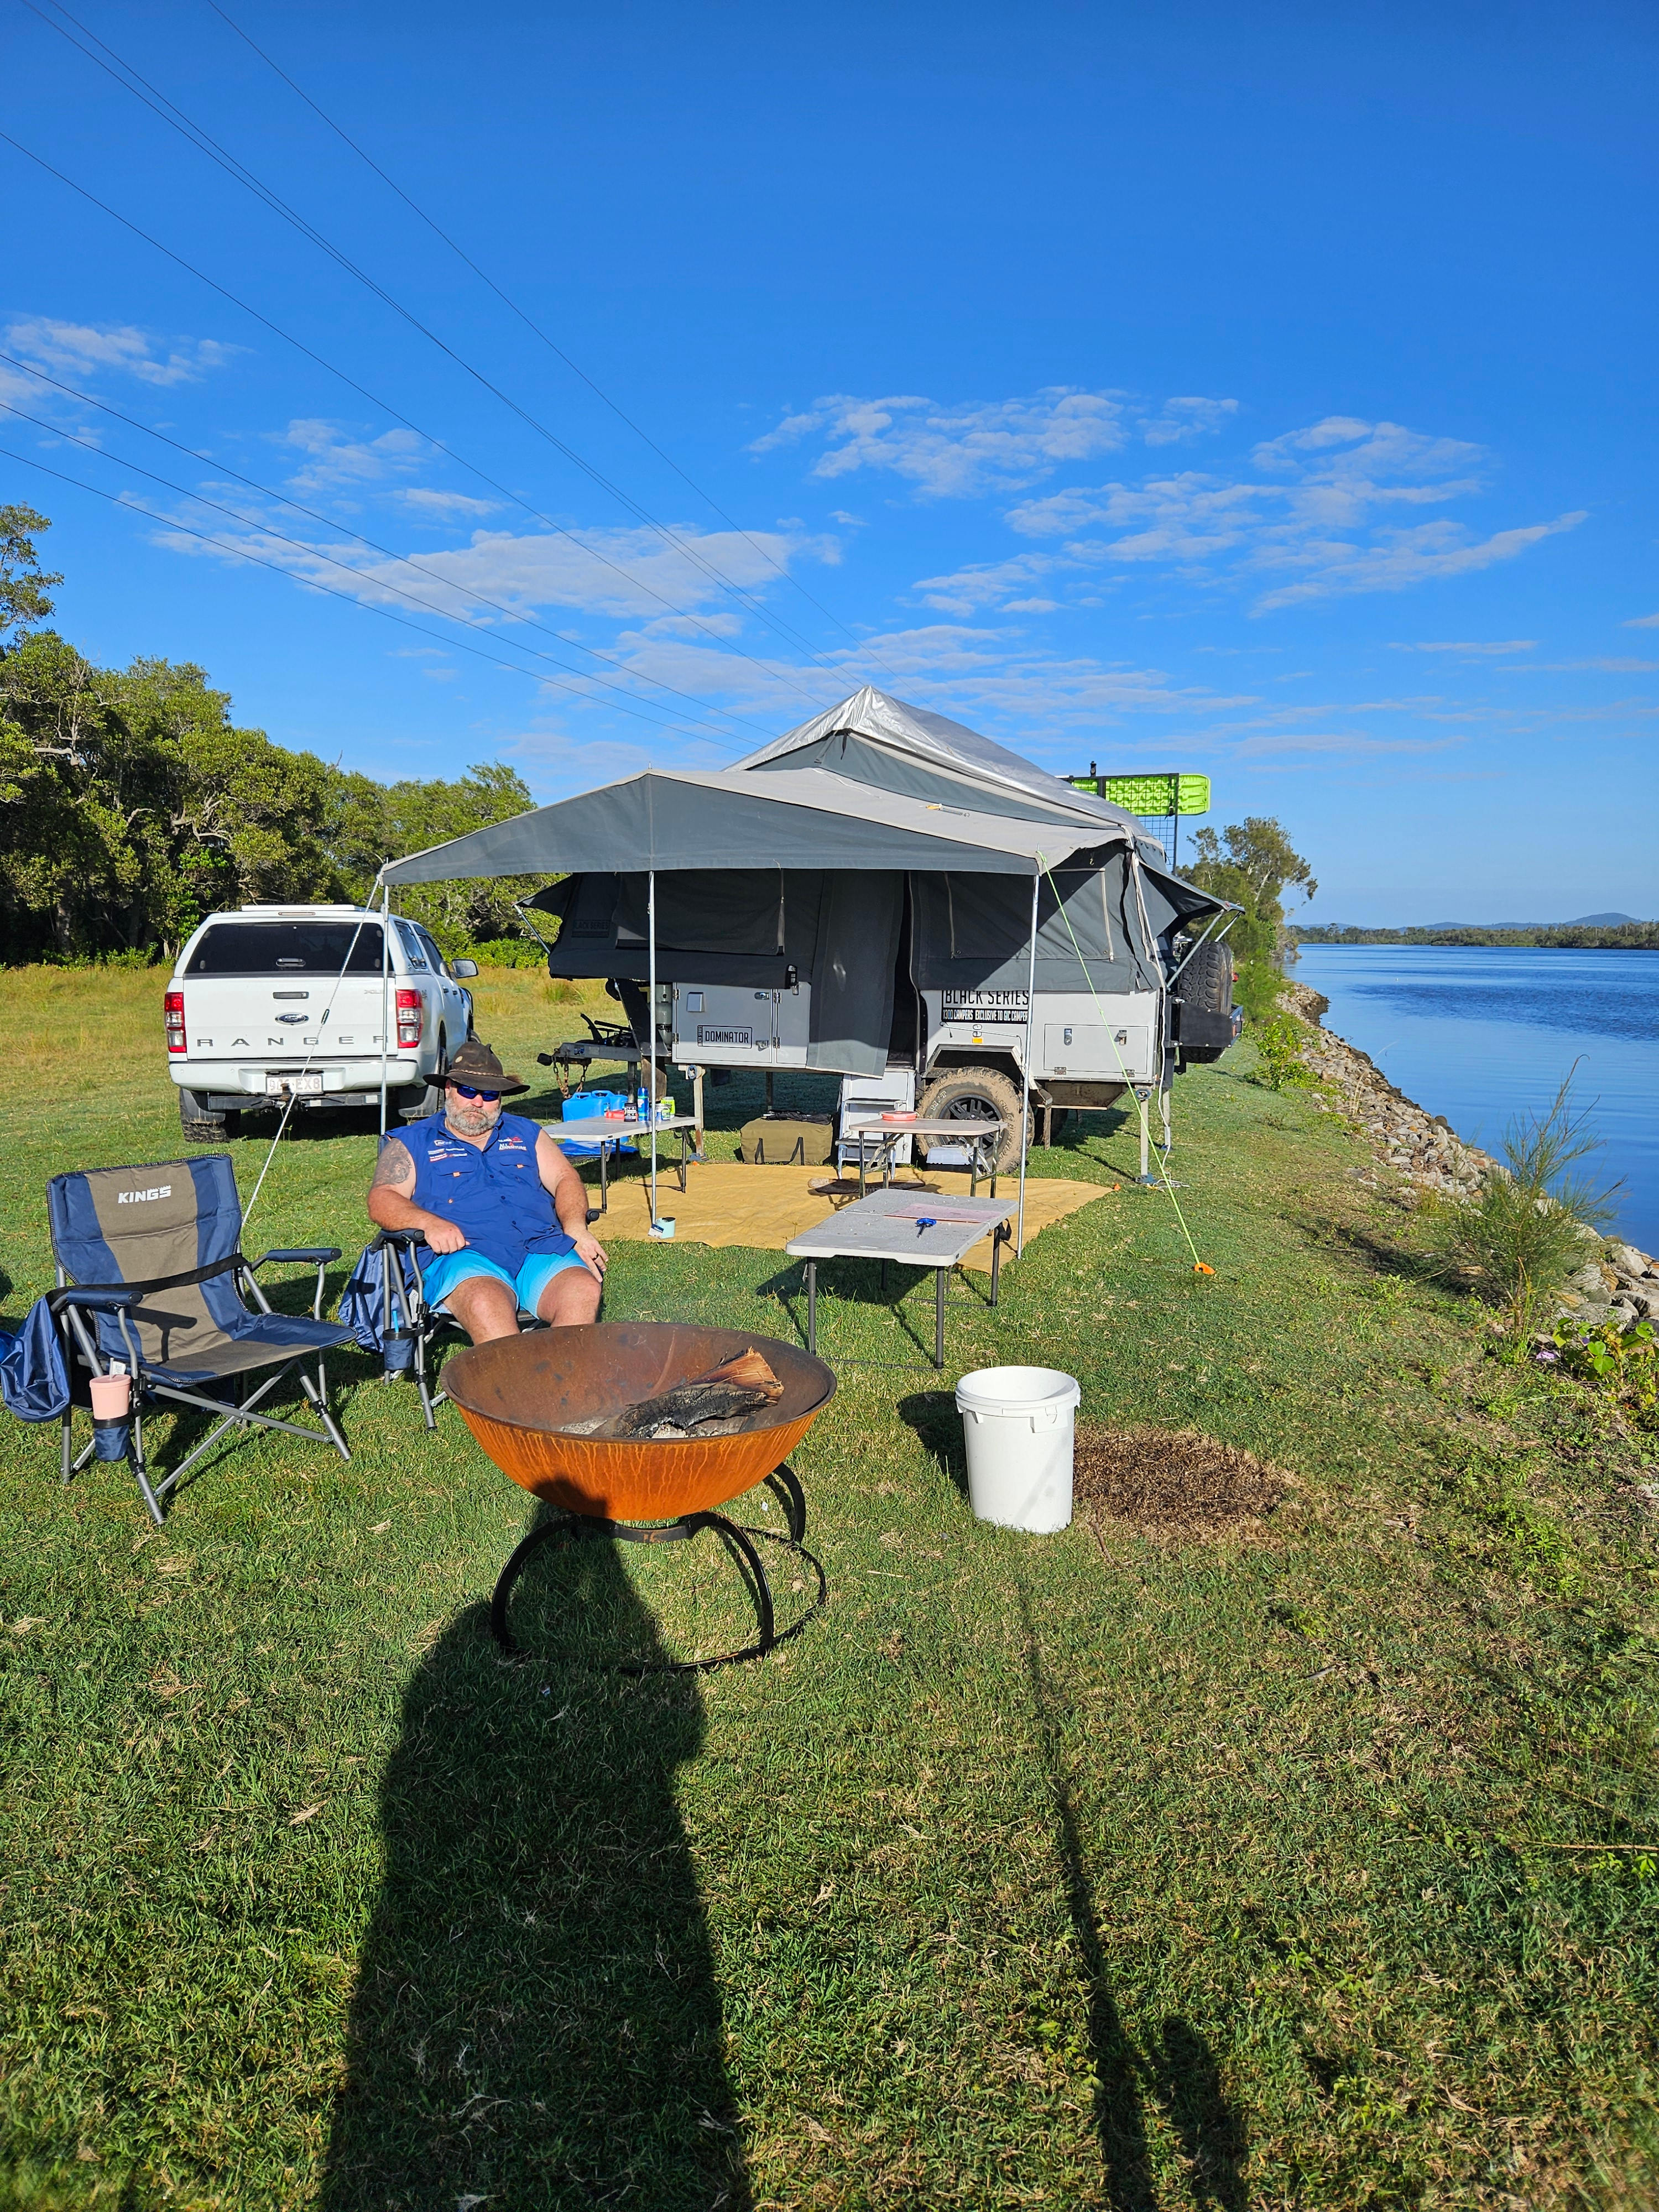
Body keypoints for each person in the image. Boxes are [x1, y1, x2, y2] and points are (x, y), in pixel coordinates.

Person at [366, 1038, 607, 1344]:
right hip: (467, 1255)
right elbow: (382, 1198)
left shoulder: (526, 1133)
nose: (478, 1102)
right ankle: (513, 1384)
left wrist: (576, 1228)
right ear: (448, 1089)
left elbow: (565, 1178)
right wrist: (429, 1223)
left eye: (490, 1094)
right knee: (485, 1301)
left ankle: (559, 1381)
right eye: (468, 1090)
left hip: (539, 1248)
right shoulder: (413, 1141)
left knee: (582, 1289)